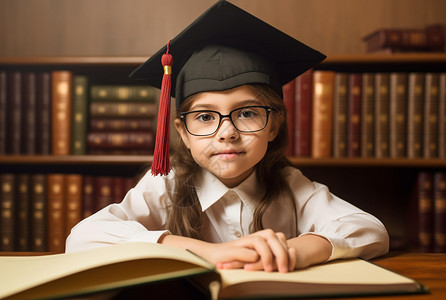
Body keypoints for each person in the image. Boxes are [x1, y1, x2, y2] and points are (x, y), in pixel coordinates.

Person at [66, 0, 389, 273]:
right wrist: (209, 252)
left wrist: (295, 251)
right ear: (183, 132)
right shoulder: (166, 184)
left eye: (247, 113)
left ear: (274, 126)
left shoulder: (289, 185)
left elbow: (369, 230)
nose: (227, 133)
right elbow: (83, 237)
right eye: (205, 117)